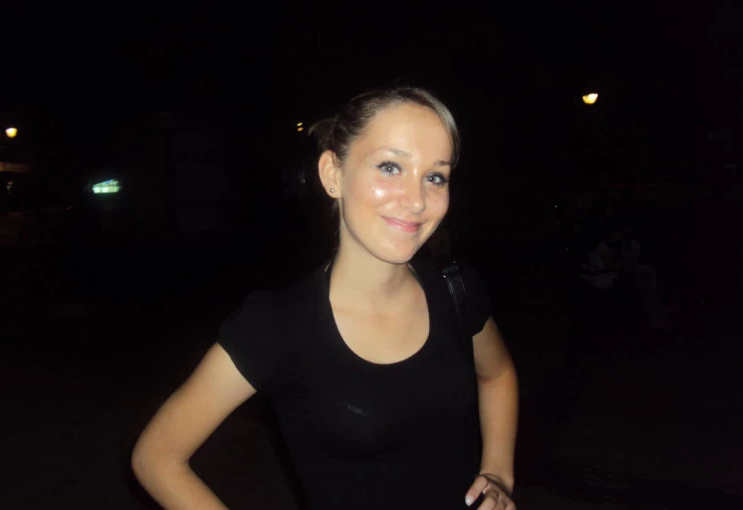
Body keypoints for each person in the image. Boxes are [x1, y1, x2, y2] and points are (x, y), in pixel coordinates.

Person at [132, 87, 519, 510]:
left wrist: (498, 473)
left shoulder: (455, 287)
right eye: (390, 167)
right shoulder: (276, 326)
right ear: (333, 174)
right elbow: (157, 458)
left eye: (435, 177)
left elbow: (497, 374)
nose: (416, 200)